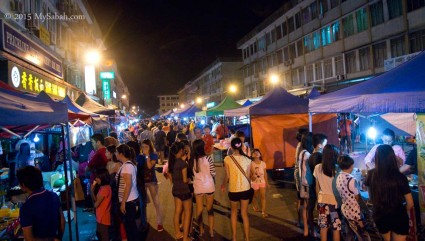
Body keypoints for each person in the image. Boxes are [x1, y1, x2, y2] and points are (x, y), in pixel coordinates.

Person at [365, 145, 414, 241]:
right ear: (392, 157)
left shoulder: (371, 175)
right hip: (399, 215)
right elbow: (410, 203)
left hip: (380, 215)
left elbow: (371, 198)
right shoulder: (400, 177)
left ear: (377, 158)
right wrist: (402, 211)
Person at [17, 166, 65, 241]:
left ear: (23, 185)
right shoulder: (54, 196)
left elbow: (29, 239)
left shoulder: (26, 208)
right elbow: (62, 220)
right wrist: (58, 238)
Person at [221, 138, 252, 241]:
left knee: (234, 213)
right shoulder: (248, 160)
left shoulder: (227, 159)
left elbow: (227, 176)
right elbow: (248, 176)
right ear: (241, 146)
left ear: (232, 146)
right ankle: (247, 238)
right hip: (245, 189)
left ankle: (234, 237)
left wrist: (223, 184)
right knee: (244, 214)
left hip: (233, 189)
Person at [336, 155, 371, 241]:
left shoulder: (338, 177)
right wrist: (367, 210)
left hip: (345, 210)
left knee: (349, 235)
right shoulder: (351, 179)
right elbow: (358, 197)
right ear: (351, 165)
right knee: (364, 237)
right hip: (355, 214)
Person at [313, 144, 341, 241]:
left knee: (323, 227)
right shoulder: (337, 169)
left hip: (322, 201)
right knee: (336, 227)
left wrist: (318, 200)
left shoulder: (317, 168)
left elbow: (317, 186)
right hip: (334, 202)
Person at [115, 144, 141, 241]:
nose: (116, 154)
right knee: (131, 226)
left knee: (130, 227)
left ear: (121, 154)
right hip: (131, 199)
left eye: (117, 152)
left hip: (128, 200)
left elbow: (128, 185)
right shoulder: (129, 164)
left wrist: (123, 202)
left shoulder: (126, 167)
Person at [137, 139, 164, 232]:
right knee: (142, 203)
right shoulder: (139, 156)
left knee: (156, 202)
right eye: (143, 146)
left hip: (152, 181)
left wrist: (147, 155)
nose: (144, 148)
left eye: (146, 146)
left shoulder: (153, 155)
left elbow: (149, 166)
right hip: (142, 182)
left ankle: (159, 223)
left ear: (150, 147)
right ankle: (144, 222)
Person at [168, 142, 192, 241]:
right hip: (184, 191)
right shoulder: (183, 164)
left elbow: (171, 176)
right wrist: (190, 180)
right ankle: (185, 237)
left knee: (177, 212)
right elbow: (185, 180)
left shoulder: (171, 162)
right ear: (181, 150)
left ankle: (177, 233)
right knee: (187, 214)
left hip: (176, 190)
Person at [192, 139, 216, 238]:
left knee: (199, 210)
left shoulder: (192, 160)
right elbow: (213, 172)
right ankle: (211, 230)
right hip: (209, 186)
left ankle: (201, 229)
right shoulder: (208, 159)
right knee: (210, 210)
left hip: (198, 187)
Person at [306, 133, 327, 237]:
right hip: (316, 186)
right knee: (317, 209)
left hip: (311, 185)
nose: (325, 145)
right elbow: (318, 174)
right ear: (319, 145)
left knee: (310, 208)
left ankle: (312, 230)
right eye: (325, 143)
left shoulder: (311, 155)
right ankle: (317, 230)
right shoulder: (318, 156)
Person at [297, 132, 313, 237]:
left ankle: (306, 230)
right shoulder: (307, 154)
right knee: (309, 208)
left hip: (303, 182)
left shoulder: (301, 152)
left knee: (305, 206)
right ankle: (309, 230)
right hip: (308, 183)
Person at [105, 145, 122, 241]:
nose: (105, 154)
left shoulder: (117, 165)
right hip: (108, 194)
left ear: (111, 153)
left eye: (106, 152)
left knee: (115, 217)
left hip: (115, 195)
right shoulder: (107, 164)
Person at [91, 168, 112, 241]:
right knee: (101, 236)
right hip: (100, 216)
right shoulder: (103, 187)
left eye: (98, 177)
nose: (96, 179)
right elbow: (96, 200)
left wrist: (91, 190)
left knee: (104, 237)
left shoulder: (105, 189)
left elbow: (96, 204)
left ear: (103, 178)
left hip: (103, 217)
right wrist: (92, 190)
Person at [294, 128, 309, 227]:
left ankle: (301, 221)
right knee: (303, 200)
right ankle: (302, 221)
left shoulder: (299, 145)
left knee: (301, 199)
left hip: (298, 172)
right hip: (300, 174)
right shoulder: (302, 147)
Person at [250, 148, 269, 217]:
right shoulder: (251, 164)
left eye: (257, 152)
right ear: (252, 156)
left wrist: (267, 182)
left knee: (263, 196)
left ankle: (263, 211)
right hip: (254, 183)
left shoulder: (263, 163)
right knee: (254, 196)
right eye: (254, 153)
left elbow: (265, 173)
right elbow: (250, 175)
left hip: (262, 182)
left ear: (260, 154)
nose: (256, 153)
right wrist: (252, 177)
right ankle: (254, 204)